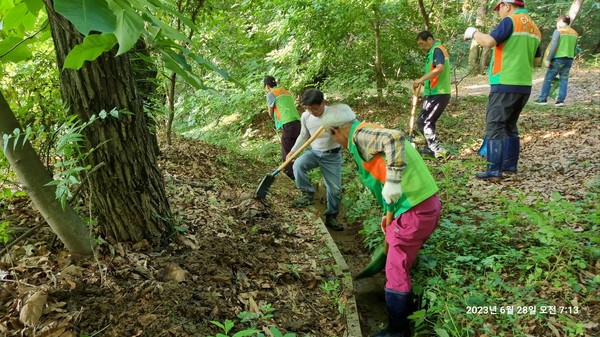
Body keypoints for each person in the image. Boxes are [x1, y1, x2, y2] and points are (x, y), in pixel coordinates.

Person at [321, 104, 441, 337]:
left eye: (331, 135)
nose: (334, 141)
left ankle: (398, 330)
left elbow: (394, 137)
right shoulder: (365, 133)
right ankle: (404, 306)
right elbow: (384, 179)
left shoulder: (360, 135)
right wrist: (389, 216)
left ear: (337, 130)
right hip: (420, 207)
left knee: (396, 269)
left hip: (415, 210)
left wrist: (394, 182)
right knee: (400, 260)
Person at [463, 0, 541, 180]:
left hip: (505, 82)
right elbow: (537, 61)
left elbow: (489, 41)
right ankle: (509, 167)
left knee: (495, 126)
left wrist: (474, 32)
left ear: (507, 5)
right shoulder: (534, 27)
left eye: (499, 9)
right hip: (523, 85)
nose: (500, 13)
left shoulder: (511, 21)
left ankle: (493, 171)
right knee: (509, 126)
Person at [288, 88, 343, 231]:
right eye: (308, 108)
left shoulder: (335, 115)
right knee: (298, 165)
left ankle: (331, 216)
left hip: (332, 156)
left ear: (323, 103)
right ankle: (307, 194)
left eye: (314, 108)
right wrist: (293, 151)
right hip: (314, 152)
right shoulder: (306, 116)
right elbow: (303, 135)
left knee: (335, 189)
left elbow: (348, 133)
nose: (311, 111)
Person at [412, 31, 451, 158]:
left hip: (439, 93)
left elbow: (439, 68)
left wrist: (421, 79)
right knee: (425, 121)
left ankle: (438, 150)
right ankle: (431, 147)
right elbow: (433, 74)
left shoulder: (437, 50)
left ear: (429, 39)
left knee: (425, 121)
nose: (420, 47)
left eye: (421, 44)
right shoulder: (432, 52)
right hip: (433, 93)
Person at [533, 15, 578, 107]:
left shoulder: (558, 31)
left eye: (557, 22)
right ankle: (560, 101)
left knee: (548, 78)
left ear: (561, 22)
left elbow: (554, 45)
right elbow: (575, 48)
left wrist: (548, 59)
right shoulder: (574, 33)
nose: (557, 24)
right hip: (569, 59)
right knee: (564, 80)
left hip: (558, 59)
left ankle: (542, 99)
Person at [264, 76, 301, 180]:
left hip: (288, 123)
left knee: (286, 151)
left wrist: (273, 116)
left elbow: (270, 113)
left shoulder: (271, 94)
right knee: (294, 149)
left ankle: (291, 175)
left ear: (267, 86)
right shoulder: (285, 91)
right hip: (298, 122)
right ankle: (299, 171)